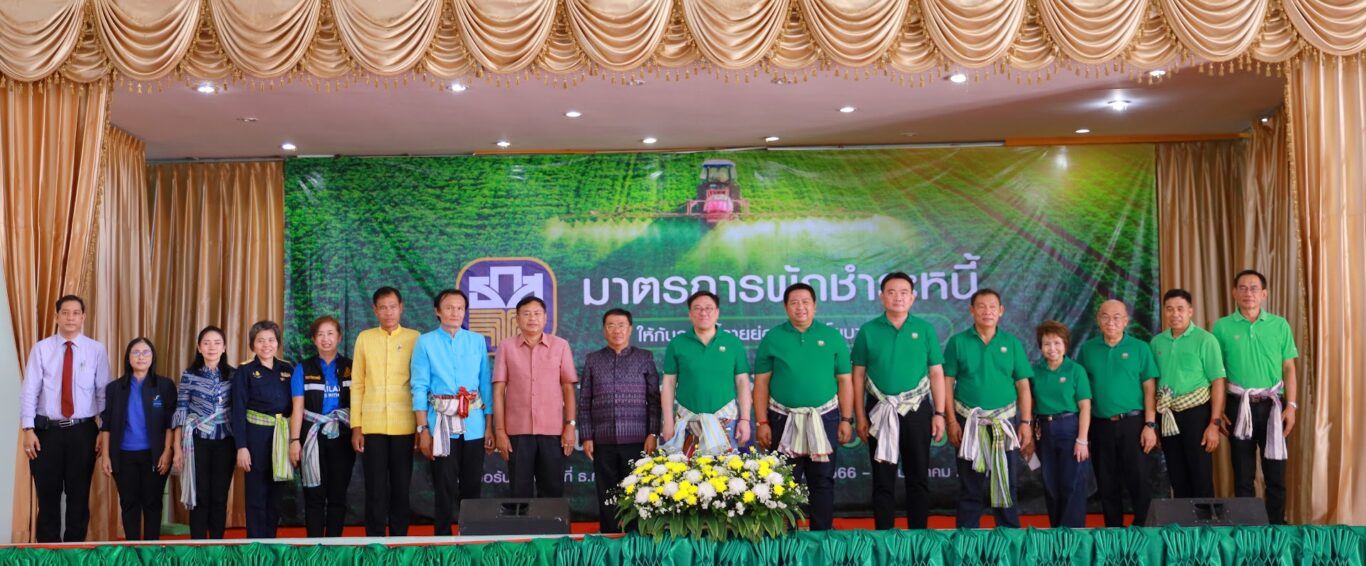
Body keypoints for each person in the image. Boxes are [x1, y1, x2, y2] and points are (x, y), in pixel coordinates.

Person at [753, 283, 853, 531]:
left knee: (822, 481)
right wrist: (762, 421)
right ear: (786, 307)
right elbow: (761, 383)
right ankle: (785, 539)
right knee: (783, 483)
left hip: (825, 418)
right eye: (794, 302)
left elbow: (844, 381)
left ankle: (822, 538)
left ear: (815, 305)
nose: (801, 307)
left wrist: (846, 419)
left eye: (806, 301)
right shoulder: (773, 338)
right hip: (781, 418)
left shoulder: (832, 337)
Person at [851, 272, 946, 530]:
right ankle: (884, 537)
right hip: (879, 410)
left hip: (917, 411)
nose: (898, 297)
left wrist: (939, 413)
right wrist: (859, 415)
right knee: (883, 479)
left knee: (918, 476)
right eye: (891, 292)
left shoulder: (924, 329)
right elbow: (857, 375)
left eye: (904, 292)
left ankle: (918, 537)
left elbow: (936, 373)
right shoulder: (869, 331)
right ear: (882, 297)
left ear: (912, 298)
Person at [20, 295, 111, 542]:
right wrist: (28, 429)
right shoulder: (41, 349)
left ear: (83, 317)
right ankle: (49, 553)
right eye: (65, 313)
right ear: (56, 316)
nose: (71, 318)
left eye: (76, 313)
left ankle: (74, 552)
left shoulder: (96, 350)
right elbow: (29, 390)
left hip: (83, 432)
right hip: (46, 432)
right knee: (47, 496)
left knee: (78, 497)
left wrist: (104, 432)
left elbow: (103, 393)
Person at [1212, 269, 1298, 525]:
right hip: (1238, 406)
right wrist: (1218, 412)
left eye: (1253, 288)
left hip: (1274, 406)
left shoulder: (1279, 325)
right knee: (1242, 475)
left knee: (1276, 474)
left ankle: (1276, 527)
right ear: (1234, 293)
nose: (1248, 293)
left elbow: (1289, 367)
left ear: (1264, 294)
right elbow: (1217, 374)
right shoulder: (1222, 327)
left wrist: (1292, 406)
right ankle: (1248, 530)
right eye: (1242, 288)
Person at [943, 288, 1034, 529]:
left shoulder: (1011, 343)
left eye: (992, 306)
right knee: (970, 484)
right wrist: (951, 421)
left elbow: (1023, 386)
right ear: (972, 311)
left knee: (1005, 482)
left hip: (1004, 422)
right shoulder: (958, 342)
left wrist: (1026, 423)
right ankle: (967, 539)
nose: (987, 311)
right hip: (968, 422)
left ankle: (1009, 537)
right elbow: (946, 383)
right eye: (981, 306)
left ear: (1001, 311)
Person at [411, 290, 492, 535]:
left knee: (472, 484)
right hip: (440, 422)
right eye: (449, 307)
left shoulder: (477, 341)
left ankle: (472, 537)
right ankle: (443, 539)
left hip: (474, 424)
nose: (455, 312)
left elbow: (485, 384)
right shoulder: (425, 342)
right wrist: (422, 429)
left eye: (460, 308)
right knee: (443, 484)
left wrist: (490, 425)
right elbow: (419, 386)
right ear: (437, 311)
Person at [1077, 299, 1159, 527]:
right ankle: (1113, 530)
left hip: (1133, 423)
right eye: (1105, 316)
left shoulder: (1140, 348)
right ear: (1098, 320)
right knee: (1106, 481)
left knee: (1139, 479)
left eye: (1116, 317)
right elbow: (1081, 389)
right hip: (1100, 424)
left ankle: (1143, 529)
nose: (1110, 322)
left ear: (1126, 321)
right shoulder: (1088, 349)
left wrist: (1150, 425)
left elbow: (1150, 389)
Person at [579, 308, 661, 533]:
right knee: (607, 494)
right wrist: (586, 436)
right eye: (611, 325)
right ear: (604, 330)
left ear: (630, 329)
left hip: (637, 439)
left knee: (636, 493)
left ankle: (636, 540)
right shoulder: (593, 360)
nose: (617, 330)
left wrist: (653, 433)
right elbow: (584, 401)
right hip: (602, 440)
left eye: (621, 325)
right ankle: (610, 538)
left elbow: (654, 400)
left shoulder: (644, 357)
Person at [350, 286, 421, 536]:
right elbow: (357, 384)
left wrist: (420, 427)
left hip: (405, 425)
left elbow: (420, 383)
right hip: (372, 426)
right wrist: (356, 427)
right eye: (383, 307)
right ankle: (375, 541)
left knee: (401, 487)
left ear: (401, 308)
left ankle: (400, 539)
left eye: (392, 307)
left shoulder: (415, 338)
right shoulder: (364, 338)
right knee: (375, 488)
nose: (388, 312)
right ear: (375, 310)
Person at [492, 296, 578, 497]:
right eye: (526, 314)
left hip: (553, 432)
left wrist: (570, 425)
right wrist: (500, 431)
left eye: (537, 313)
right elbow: (498, 391)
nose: (532, 318)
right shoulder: (506, 347)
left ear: (545, 317)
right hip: (517, 432)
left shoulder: (560, 346)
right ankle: (522, 521)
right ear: (517, 318)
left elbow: (568, 389)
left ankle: (553, 521)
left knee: (552, 491)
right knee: (519, 491)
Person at [1150, 289, 1226, 499]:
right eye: (1169, 309)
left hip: (1197, 414)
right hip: (1167, 415)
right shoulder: (1156, 343)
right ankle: (1183, 520)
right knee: (1177, 476)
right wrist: (1154, 424)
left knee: (1201, 475)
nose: (1175, 314)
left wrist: (1214, 423)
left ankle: (1205, 520)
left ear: (1190, 311)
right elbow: (1152, 384)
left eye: (1180, 309)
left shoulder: (1205, 339)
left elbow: (1218, 382)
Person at [99, 338, 176, 540]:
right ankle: (132, 549)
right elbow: (106, 424)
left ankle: (151, 551)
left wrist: (167, 451)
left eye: (145, 352)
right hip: (123, 455)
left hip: (155, 455)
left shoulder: (164, 385)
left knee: (153, 503)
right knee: (129, 503)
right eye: (136, 352)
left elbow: (171, 422)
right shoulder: (115, 388)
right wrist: (106, 455)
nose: (141, 357)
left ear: (152, 357)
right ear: (128, 357)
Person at [660, 291, 752, 456]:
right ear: (690, 314)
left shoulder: (732, 343)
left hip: (725, 420)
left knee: (726, 471)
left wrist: (745, 419)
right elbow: (668, 383)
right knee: (685, 471)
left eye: (709, 308)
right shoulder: (677, 343)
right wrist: (667, 421)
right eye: (698, 308)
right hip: (688, 421)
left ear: (717, 312)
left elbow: (742, 382)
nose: (703, 312)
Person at [288, 316, 355, 538]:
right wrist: (294, 441)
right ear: (313, 339)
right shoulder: (303, 368)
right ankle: (315, 547)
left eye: (330, 334)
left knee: (338, 494)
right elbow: (298, 408)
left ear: (339, 337)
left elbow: (359, 403)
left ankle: (334, 547)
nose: (326, 339)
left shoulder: (351, 367)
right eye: (320, 335)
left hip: (343, 437)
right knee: (314, 495)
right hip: (311, 437)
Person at [232, 320, 295, 539]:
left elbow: (297, 406)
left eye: (271, 340)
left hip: (282, 435)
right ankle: (256, 544)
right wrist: (241, 447)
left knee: (277, 493)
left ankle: (270, 541)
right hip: (255, 437)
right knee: (256, 494)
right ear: (253, 344)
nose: (266, 345)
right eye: (260, 341)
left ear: (278, 343)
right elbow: (238, 411)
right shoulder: (245, 371)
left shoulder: (288, 369)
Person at [172, 326, 235, 539]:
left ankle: (216, 545)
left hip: (226, 442)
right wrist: (177, 449)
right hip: (197, 442)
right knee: (200, 495)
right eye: (206, 343)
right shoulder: (189, 375)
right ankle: (198, 545)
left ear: (224, 347)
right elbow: (181, 411)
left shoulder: (233, 375)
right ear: (199, 348)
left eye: (217, 343)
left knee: (219, 495)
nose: (212, 347)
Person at [1029, 321, 1092, 528]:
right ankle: (1056, 531)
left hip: (1070, 428)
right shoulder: (1034, 371)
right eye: (1047, 344)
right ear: (1040, 347)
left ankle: (1072, 534)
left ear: (1065, 345)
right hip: (1044, 430)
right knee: (1050, 483)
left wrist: (1082, 440)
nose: (1052, 348)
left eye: (1057, 343)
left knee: (1072, 483)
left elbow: (1085, 406)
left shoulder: (1076, 370)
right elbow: (1030, 404)